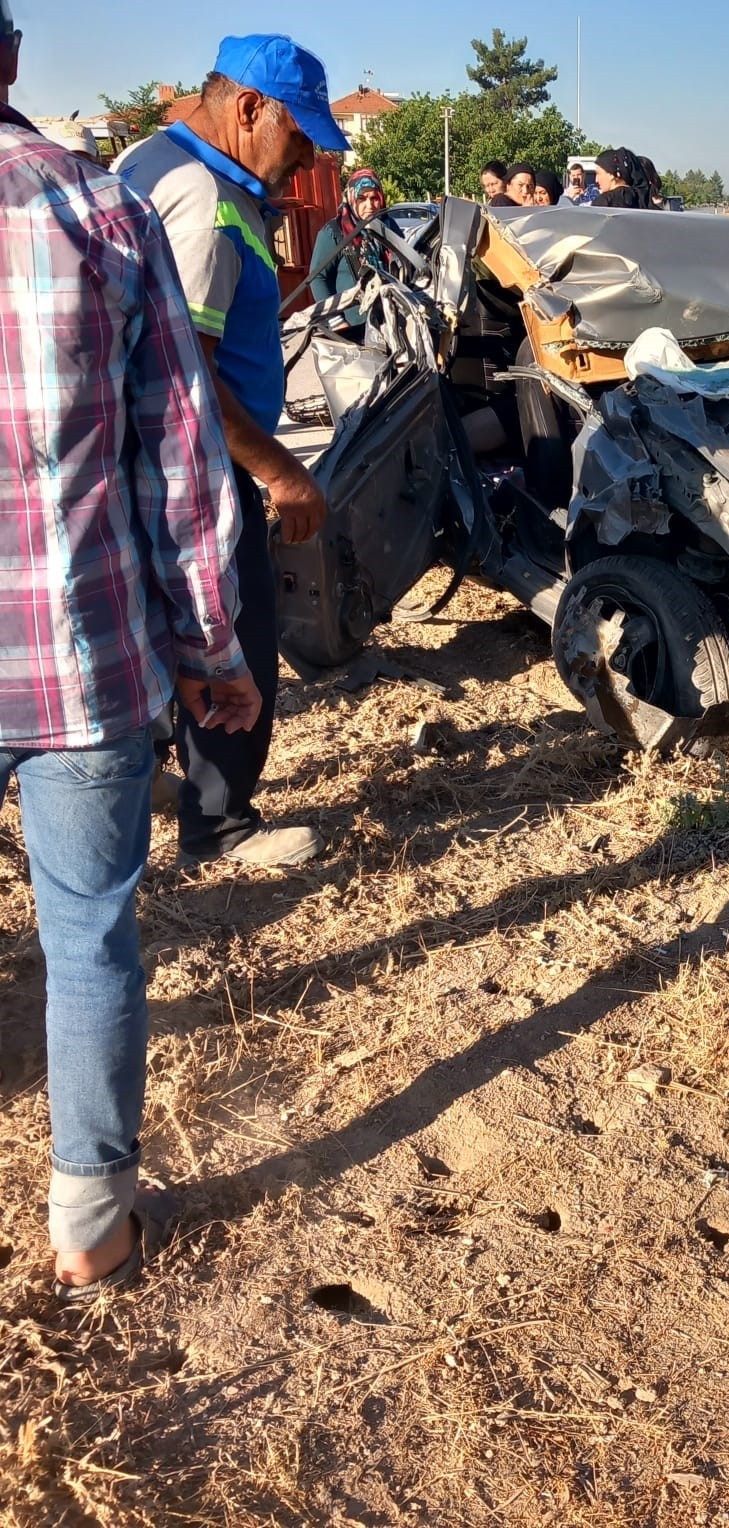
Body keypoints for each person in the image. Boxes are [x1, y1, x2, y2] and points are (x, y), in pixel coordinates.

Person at [1, 2, 261, 1299]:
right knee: (90, 939)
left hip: (77, 663)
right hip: (80, 661)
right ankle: (93, 1219)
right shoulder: (98, 213)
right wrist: (212, 643)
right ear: (8, 60)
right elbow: (176, 462)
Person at [116, 34, 349, 868]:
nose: (309, 154)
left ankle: (147, 778)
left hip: (141, 459)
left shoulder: (158, 164)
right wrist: (282, 473)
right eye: (300, 137)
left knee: (151, 626)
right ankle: (219, 824)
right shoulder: (204, 206)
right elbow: (191, 377)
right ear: (251, 109)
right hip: (200, 463)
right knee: (229, 628)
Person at [308, 165, 398, 335]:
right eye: (362, 199)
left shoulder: (388, 227)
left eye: (374, 198)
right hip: (350, 327)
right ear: (351, 198)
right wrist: (336, 321)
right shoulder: (334, 232)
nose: (369, 205)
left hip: (389, 323)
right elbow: (317, 278)